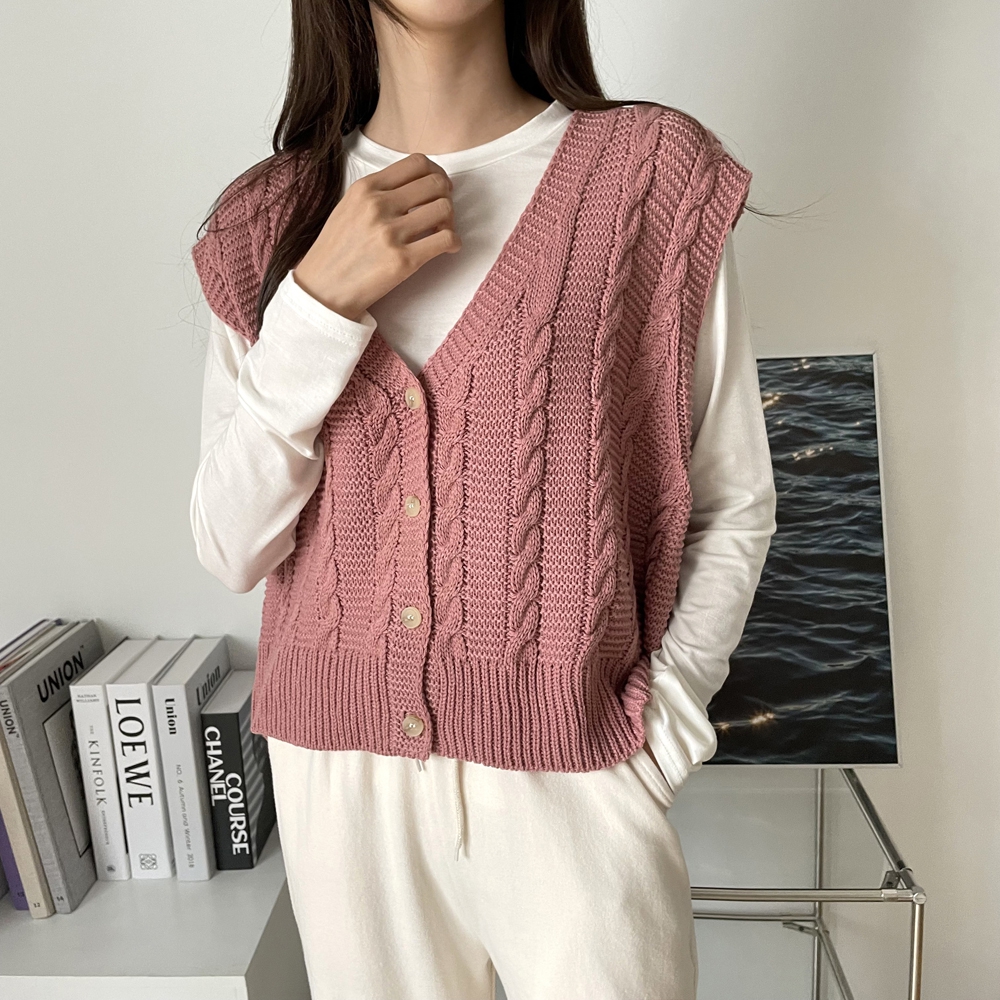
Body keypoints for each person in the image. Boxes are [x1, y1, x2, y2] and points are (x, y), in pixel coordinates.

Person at [189, 2, 777, 998]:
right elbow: (230, 543)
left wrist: (661, 733)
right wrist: (316, 307)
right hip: (341, 792)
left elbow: (732, 502)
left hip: (575, 776)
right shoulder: (267, 221)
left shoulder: (650, 178)